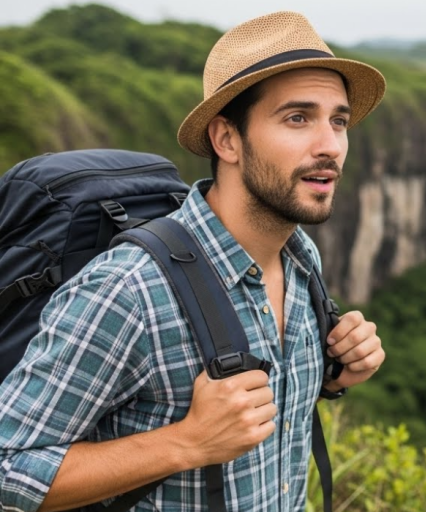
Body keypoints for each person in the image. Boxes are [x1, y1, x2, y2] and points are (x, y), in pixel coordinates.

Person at [0, 11, 386, 511]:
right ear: (226, 139)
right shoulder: (130, 289)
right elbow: (8, 466)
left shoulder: (299, 256)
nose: (330, 146)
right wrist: (187, 442)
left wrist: (332, 373)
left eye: (338, 120)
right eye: (297, 118)